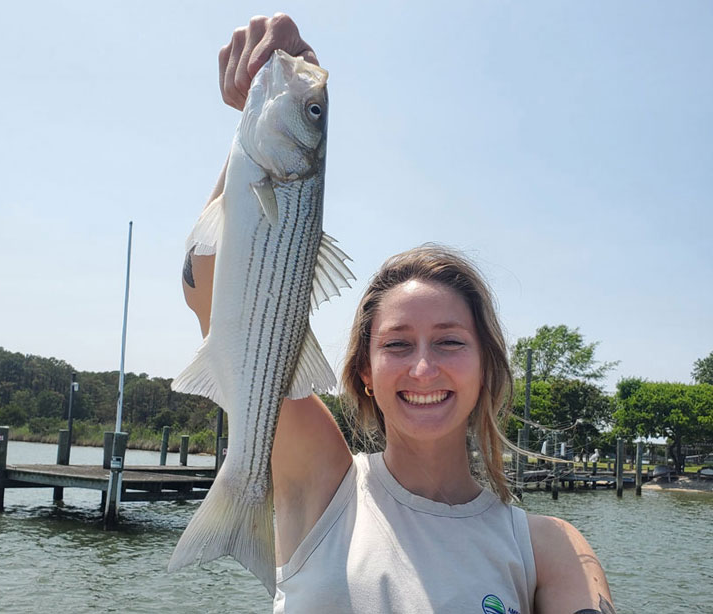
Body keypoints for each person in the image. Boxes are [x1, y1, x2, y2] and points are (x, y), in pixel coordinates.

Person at [184, 14, 616, 614]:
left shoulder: (548, 546)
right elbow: (206, 286)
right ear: (363, 369)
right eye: (396, 344)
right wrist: (269, 101)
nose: (422, 368)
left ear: (487, 366)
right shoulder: (324, 482)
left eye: (449, 342)